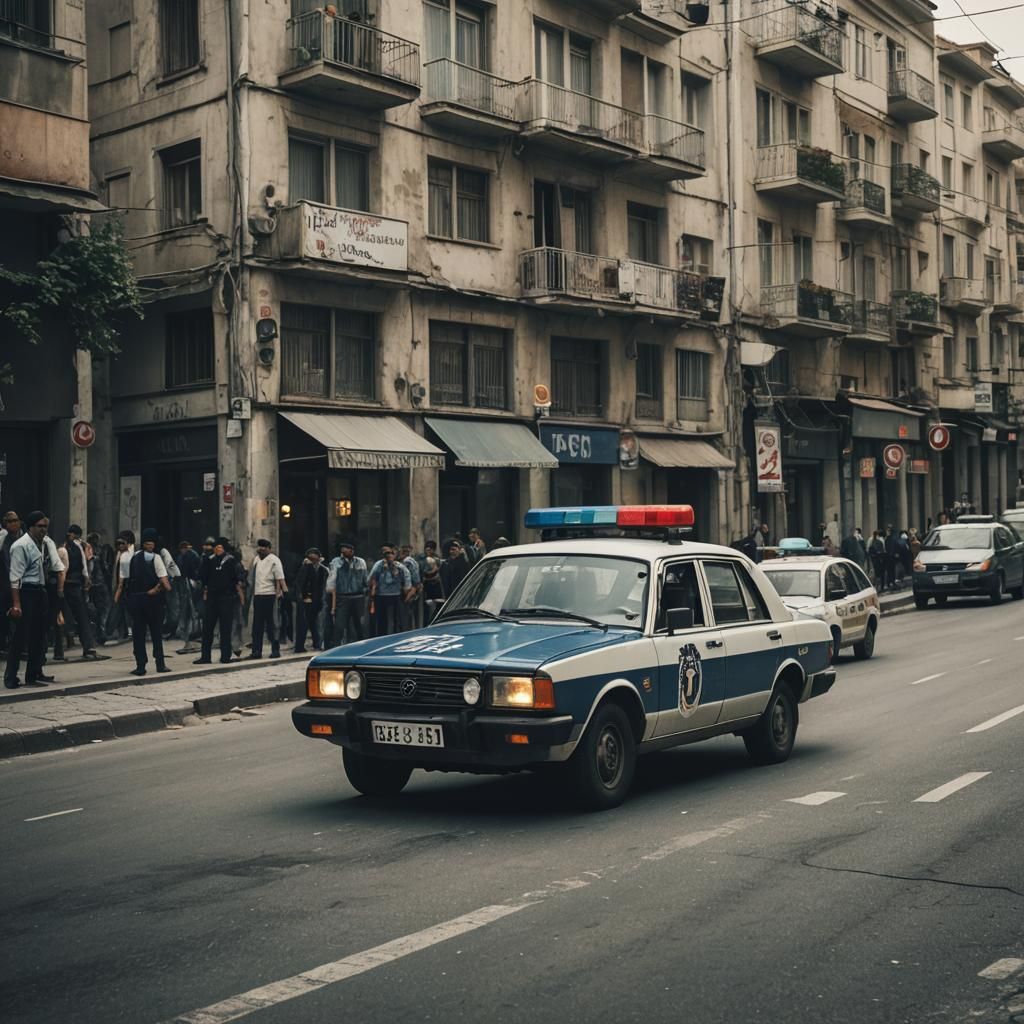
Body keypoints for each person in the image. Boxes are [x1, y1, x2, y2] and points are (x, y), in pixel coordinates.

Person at [4, 511, 58, 688]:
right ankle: (10, 677)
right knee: (20, 636)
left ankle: (33, 675)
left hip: (39, 591)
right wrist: (17, 604)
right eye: (40, 526)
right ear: (31, 527)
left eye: (45, 526)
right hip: (25, 592)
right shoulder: (21, 545)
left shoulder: (42, 543)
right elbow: (15, 577)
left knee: (38, 635)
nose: (44, 529)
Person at [116, 528, 172, 676]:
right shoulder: (156, 558)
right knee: (156, 634)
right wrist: (162, 588)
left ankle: (140, 666)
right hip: (153, 601)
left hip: (136, 600)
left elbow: (124, 581)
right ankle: (160, 664)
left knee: (138, 634)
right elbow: (165, 583)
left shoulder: (132, 557)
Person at [57, 525, 102, 660]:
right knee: (81, 616)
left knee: (60, 616)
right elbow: (84, 566)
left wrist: (60, 588)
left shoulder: (64, 549)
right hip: (76, 585)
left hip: (68, 585)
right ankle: (88, 647)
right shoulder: (79, 547)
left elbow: (62, 571)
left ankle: (60, 651)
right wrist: (86, 579)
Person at [196, 538, 243, 665]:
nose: (217, 549)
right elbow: (202, 576)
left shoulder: (231, 561)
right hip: (212, 597)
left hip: (226, 598)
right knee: (207, 628)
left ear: (224, 549)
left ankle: (225, 656)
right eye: (216, 547)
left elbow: (237, 578)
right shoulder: (209, 560)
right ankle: (205, 657)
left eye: (220, 547)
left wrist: (235, 592)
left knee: (225, 628)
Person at [249, 538, 287, 659]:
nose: (261, 549)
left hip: (270, 595)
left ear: (269, 548)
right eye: (260, 546)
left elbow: (280, 578)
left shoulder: (274, 560)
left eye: (264, 547)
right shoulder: (256, 560)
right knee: (257, 625)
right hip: (258, 594)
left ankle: (275, 650)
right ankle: (256, 651)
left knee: (272, 624)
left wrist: (281, 593)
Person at [328, 541, 368, 645]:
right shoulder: (336, 561)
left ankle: (362, 645)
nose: (343, 551)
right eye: (342, 549)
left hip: (358, 596)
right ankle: (337, 646)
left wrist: (365, 590)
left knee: (359, 625)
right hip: (343, 597)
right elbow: (332, 578)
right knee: (339, 625)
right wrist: (330, 590)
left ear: (351, 550)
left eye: (345, 549)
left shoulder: (360, 562)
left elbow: (365, 579)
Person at [368, 545, 411, 636]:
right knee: (382, 621)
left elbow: (407, 580)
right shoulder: (379, 565)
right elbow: (370, 578)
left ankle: (398, 637)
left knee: (397, 621)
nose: (389, 555)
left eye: (391, 553)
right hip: (381, 596)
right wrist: (373, 589)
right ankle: (381, 637)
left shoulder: (400, 566)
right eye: (387, 554)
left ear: (394, 555)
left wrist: (406, 592)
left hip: (396, 595)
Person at [294, 548, 329, 653]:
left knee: (314, 623)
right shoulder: (305, 567)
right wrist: (301, 597)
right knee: (303, 623)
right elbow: (299, 583)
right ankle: (299, 646)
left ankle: (317, 643)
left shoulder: (323, 569)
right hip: (306, 599)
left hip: (317, 599)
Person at [0, 510, 24, 654]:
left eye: (15, 520)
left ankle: (20, 646)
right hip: (6, 585)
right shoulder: (3, 540)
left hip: (23, 584)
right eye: (10, 521)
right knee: (5, 615)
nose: (13, 524)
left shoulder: (26, 538)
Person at [174, 540, 202, 653]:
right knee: (191, 610)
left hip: (188, 584)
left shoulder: (187, 556)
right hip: (190, 584)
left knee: (190, 610)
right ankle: (191, 633)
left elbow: (185, 570)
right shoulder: (192, 554)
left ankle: (190, 634)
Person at [85, 532, 112, 646]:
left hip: (93, 583)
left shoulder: (87, 550)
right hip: (99, 583)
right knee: (102, 608)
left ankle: (98, 633)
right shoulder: (100, 550)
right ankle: (100, 632)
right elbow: (105, 567)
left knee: (94, 609)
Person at [398, 543, 422, 630]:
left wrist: (412, 590)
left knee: (407, 615)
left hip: (409, 590)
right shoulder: (413, 561)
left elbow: (413, 578)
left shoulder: (407, 562)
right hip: (413, 589)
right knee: (413, 615)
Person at [420, 540, 444, 623]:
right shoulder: (422, 559)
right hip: (427, 586)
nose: (429, 551)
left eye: (430, 549)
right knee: (427, 608)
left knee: (439, 606)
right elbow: (424, 572)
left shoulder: (437, 559)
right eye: (427, 549)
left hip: (437, 586)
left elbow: (439, 572)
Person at [883, 525, 899, 590]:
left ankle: (890, 582)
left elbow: (890, 548)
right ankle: (891, 581)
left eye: (888, 531)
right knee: (891, 570)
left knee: (890, 570)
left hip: (889, 556)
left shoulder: (889, 539)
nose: (887, 532)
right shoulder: (892, 538)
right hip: (891, 556)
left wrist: (890, 554)